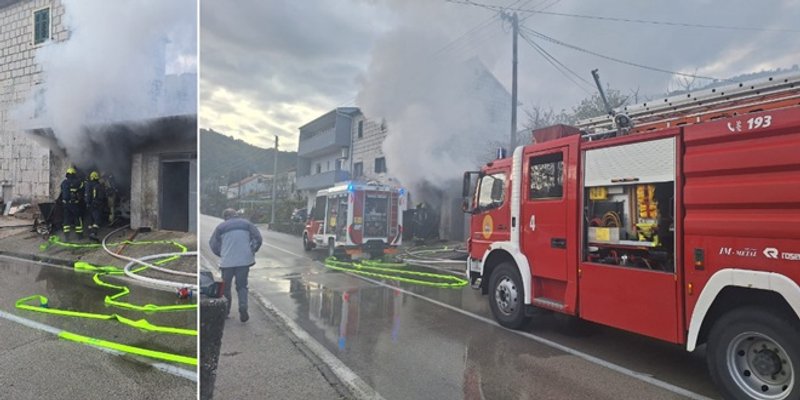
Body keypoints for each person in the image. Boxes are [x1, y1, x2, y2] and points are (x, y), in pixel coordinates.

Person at [209, 208, 262, 322]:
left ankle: (226, 311)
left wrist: (222, 253)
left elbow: (213, 244)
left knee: (226, 287)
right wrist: (252, 250)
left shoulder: (221, 227)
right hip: (244, 262)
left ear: (225, 217)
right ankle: (243, 307)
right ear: (236, 215)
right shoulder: (247, 224)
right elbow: (258, 238)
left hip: (227, 263)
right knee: (242, 286)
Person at [59, 167, 84, 241]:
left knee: (66, 220)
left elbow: (62, 191)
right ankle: (79, 236)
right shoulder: (77, 182)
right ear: (73, 174)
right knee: (77, 218)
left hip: (65, 204)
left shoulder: (63, 182)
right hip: (74, 204)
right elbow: (82, 187)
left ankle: (67, 237)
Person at [84, 171, 106, 240]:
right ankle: (93, 233)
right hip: (96, 205)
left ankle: (90, 233)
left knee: (90, 219)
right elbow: (101, 197)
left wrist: (87, 203)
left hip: (89, 205)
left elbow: (87, 195)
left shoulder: (88, 184)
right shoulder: (99, 186)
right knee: (97, 220)